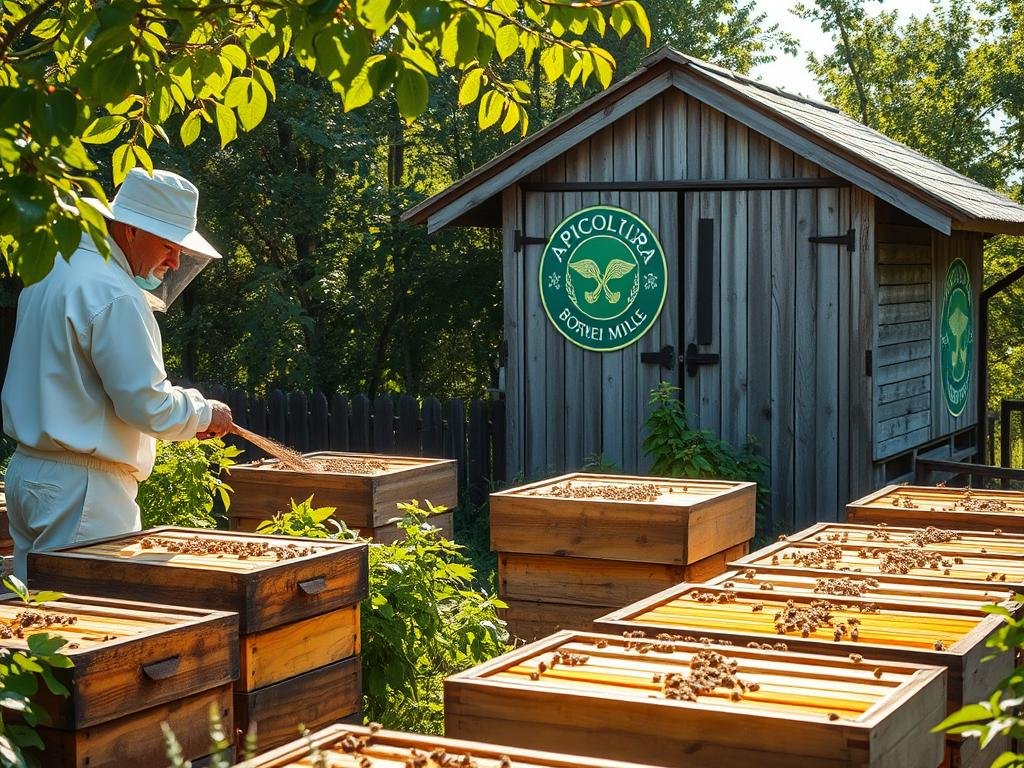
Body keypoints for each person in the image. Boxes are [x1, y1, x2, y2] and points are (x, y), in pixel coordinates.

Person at [1, 168, 234, 580]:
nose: (175, 261)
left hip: (28, 475)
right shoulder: (115, 293)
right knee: (84, 624)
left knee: (29, 618)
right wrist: (203, 412)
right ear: (129, 230)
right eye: (168, 245)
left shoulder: (55, 268)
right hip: (83, 490)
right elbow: (146, 404)